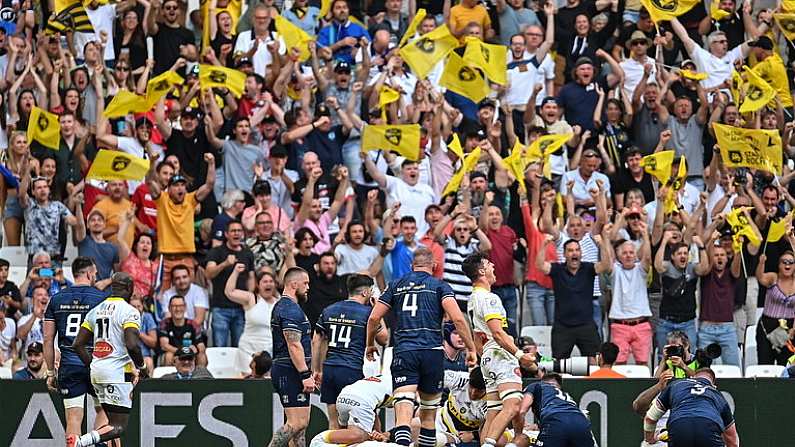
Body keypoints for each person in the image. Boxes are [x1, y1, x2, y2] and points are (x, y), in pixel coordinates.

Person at [365, 248, 477, 447]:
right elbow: (458, 318)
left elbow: (374, 317)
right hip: (432, 353)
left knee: (404, 412)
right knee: (427, 417)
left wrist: (369, 344)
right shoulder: (440, 286)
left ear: (411, 266)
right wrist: (471, 348)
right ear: (434, 266)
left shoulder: (395, 284)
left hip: (404, 351)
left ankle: (401, 442)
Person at [463, 253, 534, 447]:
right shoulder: (490, 298)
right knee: (513, 406)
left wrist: (484, 357)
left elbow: (477, 337)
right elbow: (497, 333)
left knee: (494, 412)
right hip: (500, 356)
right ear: (481, 271)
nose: (493, 265)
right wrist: (520, 355)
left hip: (487, 357)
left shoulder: (472, 299)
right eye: (488, 263)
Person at [71, 272, 147, 447]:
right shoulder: (130, 312)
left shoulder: (95, 310)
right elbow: (132, 345)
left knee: (109, 422)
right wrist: (142, 367)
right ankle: (80, 442)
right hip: (117, 374)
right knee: (117, 426)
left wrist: (94, 365)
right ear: (130, 289)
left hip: (97, 371)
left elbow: (78, 344)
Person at [42, 257, 108, 446]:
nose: (95, 276)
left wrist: (49, 372)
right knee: (103, 412)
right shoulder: (101, 298)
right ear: (89, 273)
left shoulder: (56, 299)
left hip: (69, 365)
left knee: (73, 419)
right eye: (94, 273)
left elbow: (47, 339)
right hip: (96, 363)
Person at [312, 274, 388, 429]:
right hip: (352, 369)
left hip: (330, 368)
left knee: (334, 423)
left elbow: (316, 340)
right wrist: (377, 311)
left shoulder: (329, 310)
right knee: (368, 420)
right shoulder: (368, 314)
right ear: (366, 292)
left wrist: (317, 369)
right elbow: (384, 339)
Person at [536, 232, 612, 360]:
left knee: (595, 362)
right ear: (565, 254)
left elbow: (605, 265)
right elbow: (540, 265)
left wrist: (601, 244)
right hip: (562, 327)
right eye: (570, 251)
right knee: (558, 365)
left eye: (577, 250)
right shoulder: (557, 269)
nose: (574, 253)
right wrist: (543, 244)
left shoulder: (588, 268)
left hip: (586, 325)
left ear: (581, 253)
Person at [269, 267, 314, 447]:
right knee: (297, 423)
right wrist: (305, 374)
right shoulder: (289, 309)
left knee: (301, 428)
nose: (308, 287)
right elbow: (293, 344)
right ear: (294, 284)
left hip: (292, 368)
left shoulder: (290, 307)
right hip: (290, 369)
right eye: (305, 283)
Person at [643, 369, 738, 447]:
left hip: (679, 426)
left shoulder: (676, 385)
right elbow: (732, 441)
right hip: (709, 427)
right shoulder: (718, 395)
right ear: (713, 385)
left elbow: (650, 418)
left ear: (692, 377)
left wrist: (650, 439)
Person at [205, 220, 256, 347]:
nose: (236, 234)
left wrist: (249, 299)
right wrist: (225, 264)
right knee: (219, 349)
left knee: (240, 347)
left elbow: (251, 277)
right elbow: (208, 273)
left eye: (239, 231)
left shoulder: (247, 253)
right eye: (233, 231)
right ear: (227, 234)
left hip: (241, 309)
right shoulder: (216, 252)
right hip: (220, 308)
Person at [225, 264, 280, 374]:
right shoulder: (251, 298)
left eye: (271, 281)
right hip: (248, 348)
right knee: (247, 380)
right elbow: (229, 292)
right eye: (265, 281)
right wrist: (235, 272)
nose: (268, 284)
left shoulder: (279, 302)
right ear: (258, 285)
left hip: (270, 350)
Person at [309, 375, 393, 447]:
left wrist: (379, 433)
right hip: (362, 401)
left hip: (343, 396)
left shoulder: (389, 377)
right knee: (362, 436)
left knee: (347, 433)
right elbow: (403, 422)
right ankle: (319, 440)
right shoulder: (403, 387)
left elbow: (372, 410)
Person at [517, 372, 597, 447]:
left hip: (556, 421)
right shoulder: (565, 397)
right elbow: (568, 420)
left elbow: (522, 411)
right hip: (581, 422)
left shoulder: (536, 386)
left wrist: (518, 434)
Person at [755, 252, 795, 365]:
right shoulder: (773, 278)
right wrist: (761, 263)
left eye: (791, 262)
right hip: (767, 327)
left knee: (786, 365)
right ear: (779, 265)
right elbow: (760, 277)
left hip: (789, 329)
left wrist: (794, 329)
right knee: (765, 363)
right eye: (784, 262)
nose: (788, 265)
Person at [158, 295, 208, 366]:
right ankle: (169, 377)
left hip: (191, 356)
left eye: (180, 306)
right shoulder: (164, 324)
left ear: (185, 307)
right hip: (174, 354)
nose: (178, 309)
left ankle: (201, 376)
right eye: (174, 306)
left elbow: (201, 346)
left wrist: (196, 350)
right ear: (169, 308)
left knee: (202, 356)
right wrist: (183, 352)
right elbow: (164, 345)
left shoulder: (193, 324)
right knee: (168, 356)